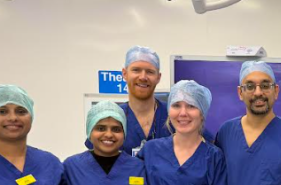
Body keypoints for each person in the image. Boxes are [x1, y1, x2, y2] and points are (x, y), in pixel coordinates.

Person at [84, 46, 214, 155]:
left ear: (158, 77)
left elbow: (207, 145)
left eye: (150, 72)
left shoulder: (177, 116)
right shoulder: (112, 118)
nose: (143, 77)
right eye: (136, 70)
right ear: (124, 73)